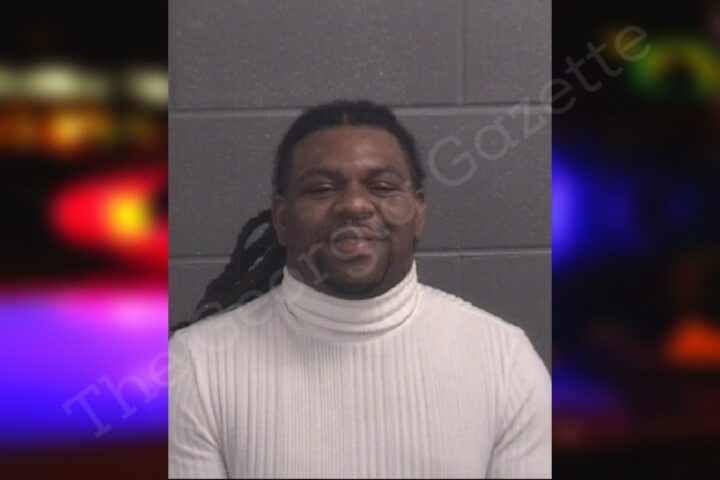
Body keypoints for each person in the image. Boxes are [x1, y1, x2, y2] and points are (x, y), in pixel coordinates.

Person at [169, 100, 551, 479]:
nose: (354, 205)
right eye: (322, 189)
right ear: (282, 219)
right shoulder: (196, 369)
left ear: (418, 212)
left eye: (382, 187)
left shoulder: (505, 363)